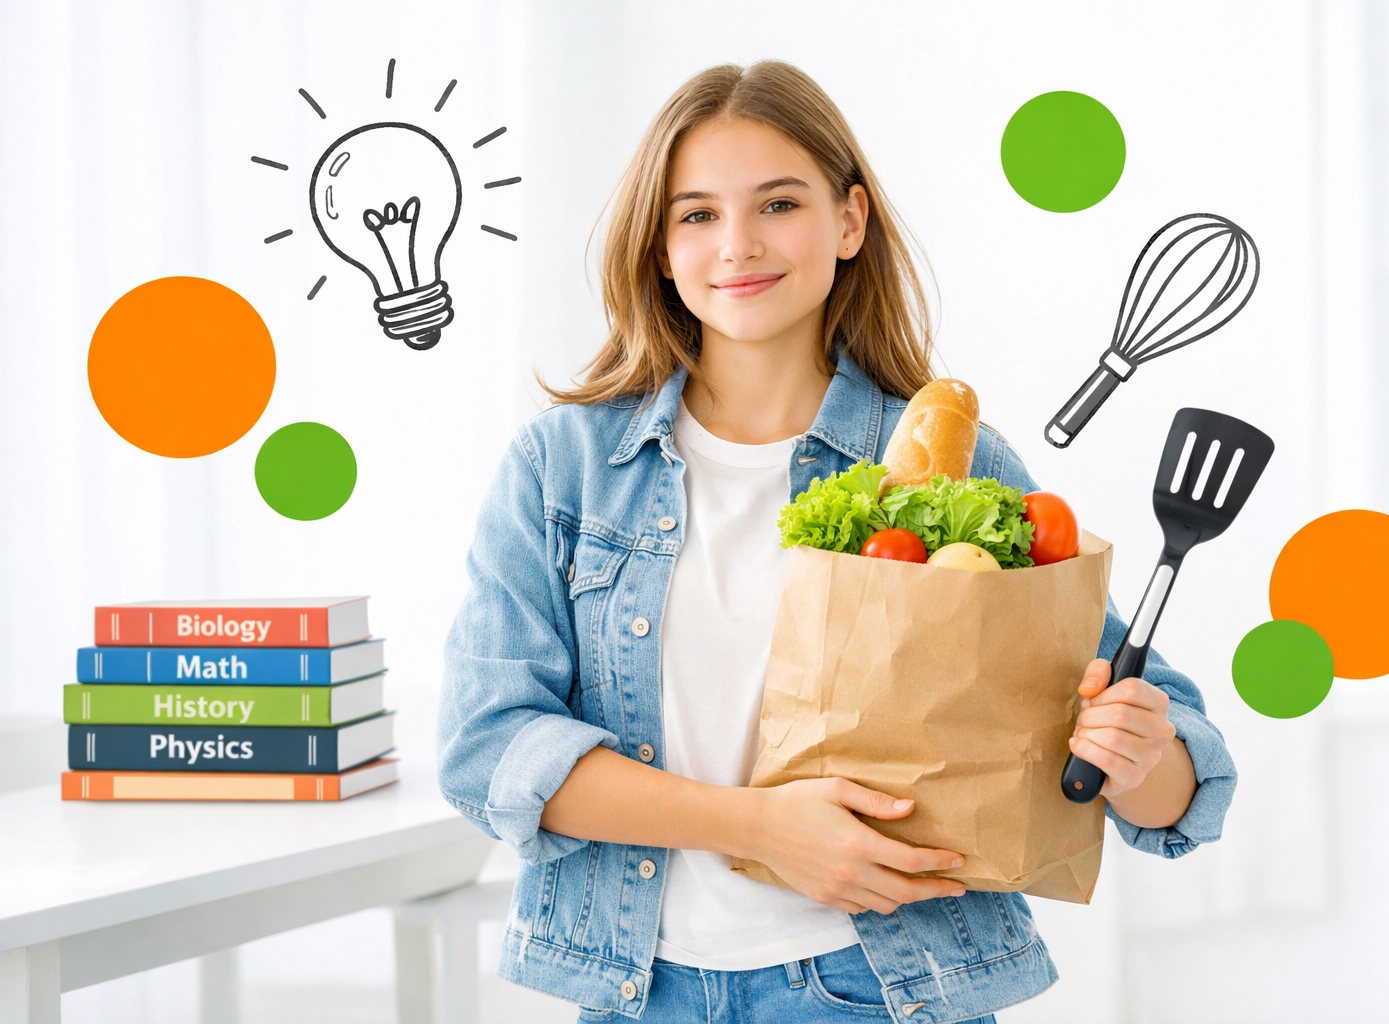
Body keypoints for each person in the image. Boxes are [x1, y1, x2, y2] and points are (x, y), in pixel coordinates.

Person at [438, 60, 1236, 1024]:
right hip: (635, 991)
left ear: (849, 220)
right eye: (696, 215)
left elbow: (1168, 788)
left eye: (778, 203)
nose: (737, 244)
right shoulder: (561, 467)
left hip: (882, 988)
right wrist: (761, 827)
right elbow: (491, 747)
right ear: (658, 246)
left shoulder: (955, 465)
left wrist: (1141, 755)